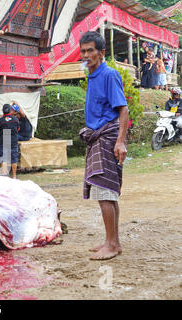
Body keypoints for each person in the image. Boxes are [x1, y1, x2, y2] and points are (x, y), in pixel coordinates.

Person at [79, 31, 128, 261]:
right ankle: (112, 242)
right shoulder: (93, 75)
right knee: (106, 193)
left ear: (101, 52)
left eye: (90, 50)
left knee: (105, 192)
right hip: (97, 137)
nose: (86, 55)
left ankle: (111, 244)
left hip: (107, 138)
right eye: (83, 51)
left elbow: (123, 109)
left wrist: (120, 141)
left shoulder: (109, 74)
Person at [0, 104, 20, 179]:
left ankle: (5, 177)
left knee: (4, 159)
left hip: (3, 142)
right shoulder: (15, 119)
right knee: (14, 159)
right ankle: (14, 176)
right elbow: (18, 129)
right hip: (13, 142)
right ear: (10, 110)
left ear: (2, 111)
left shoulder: (0, 120)